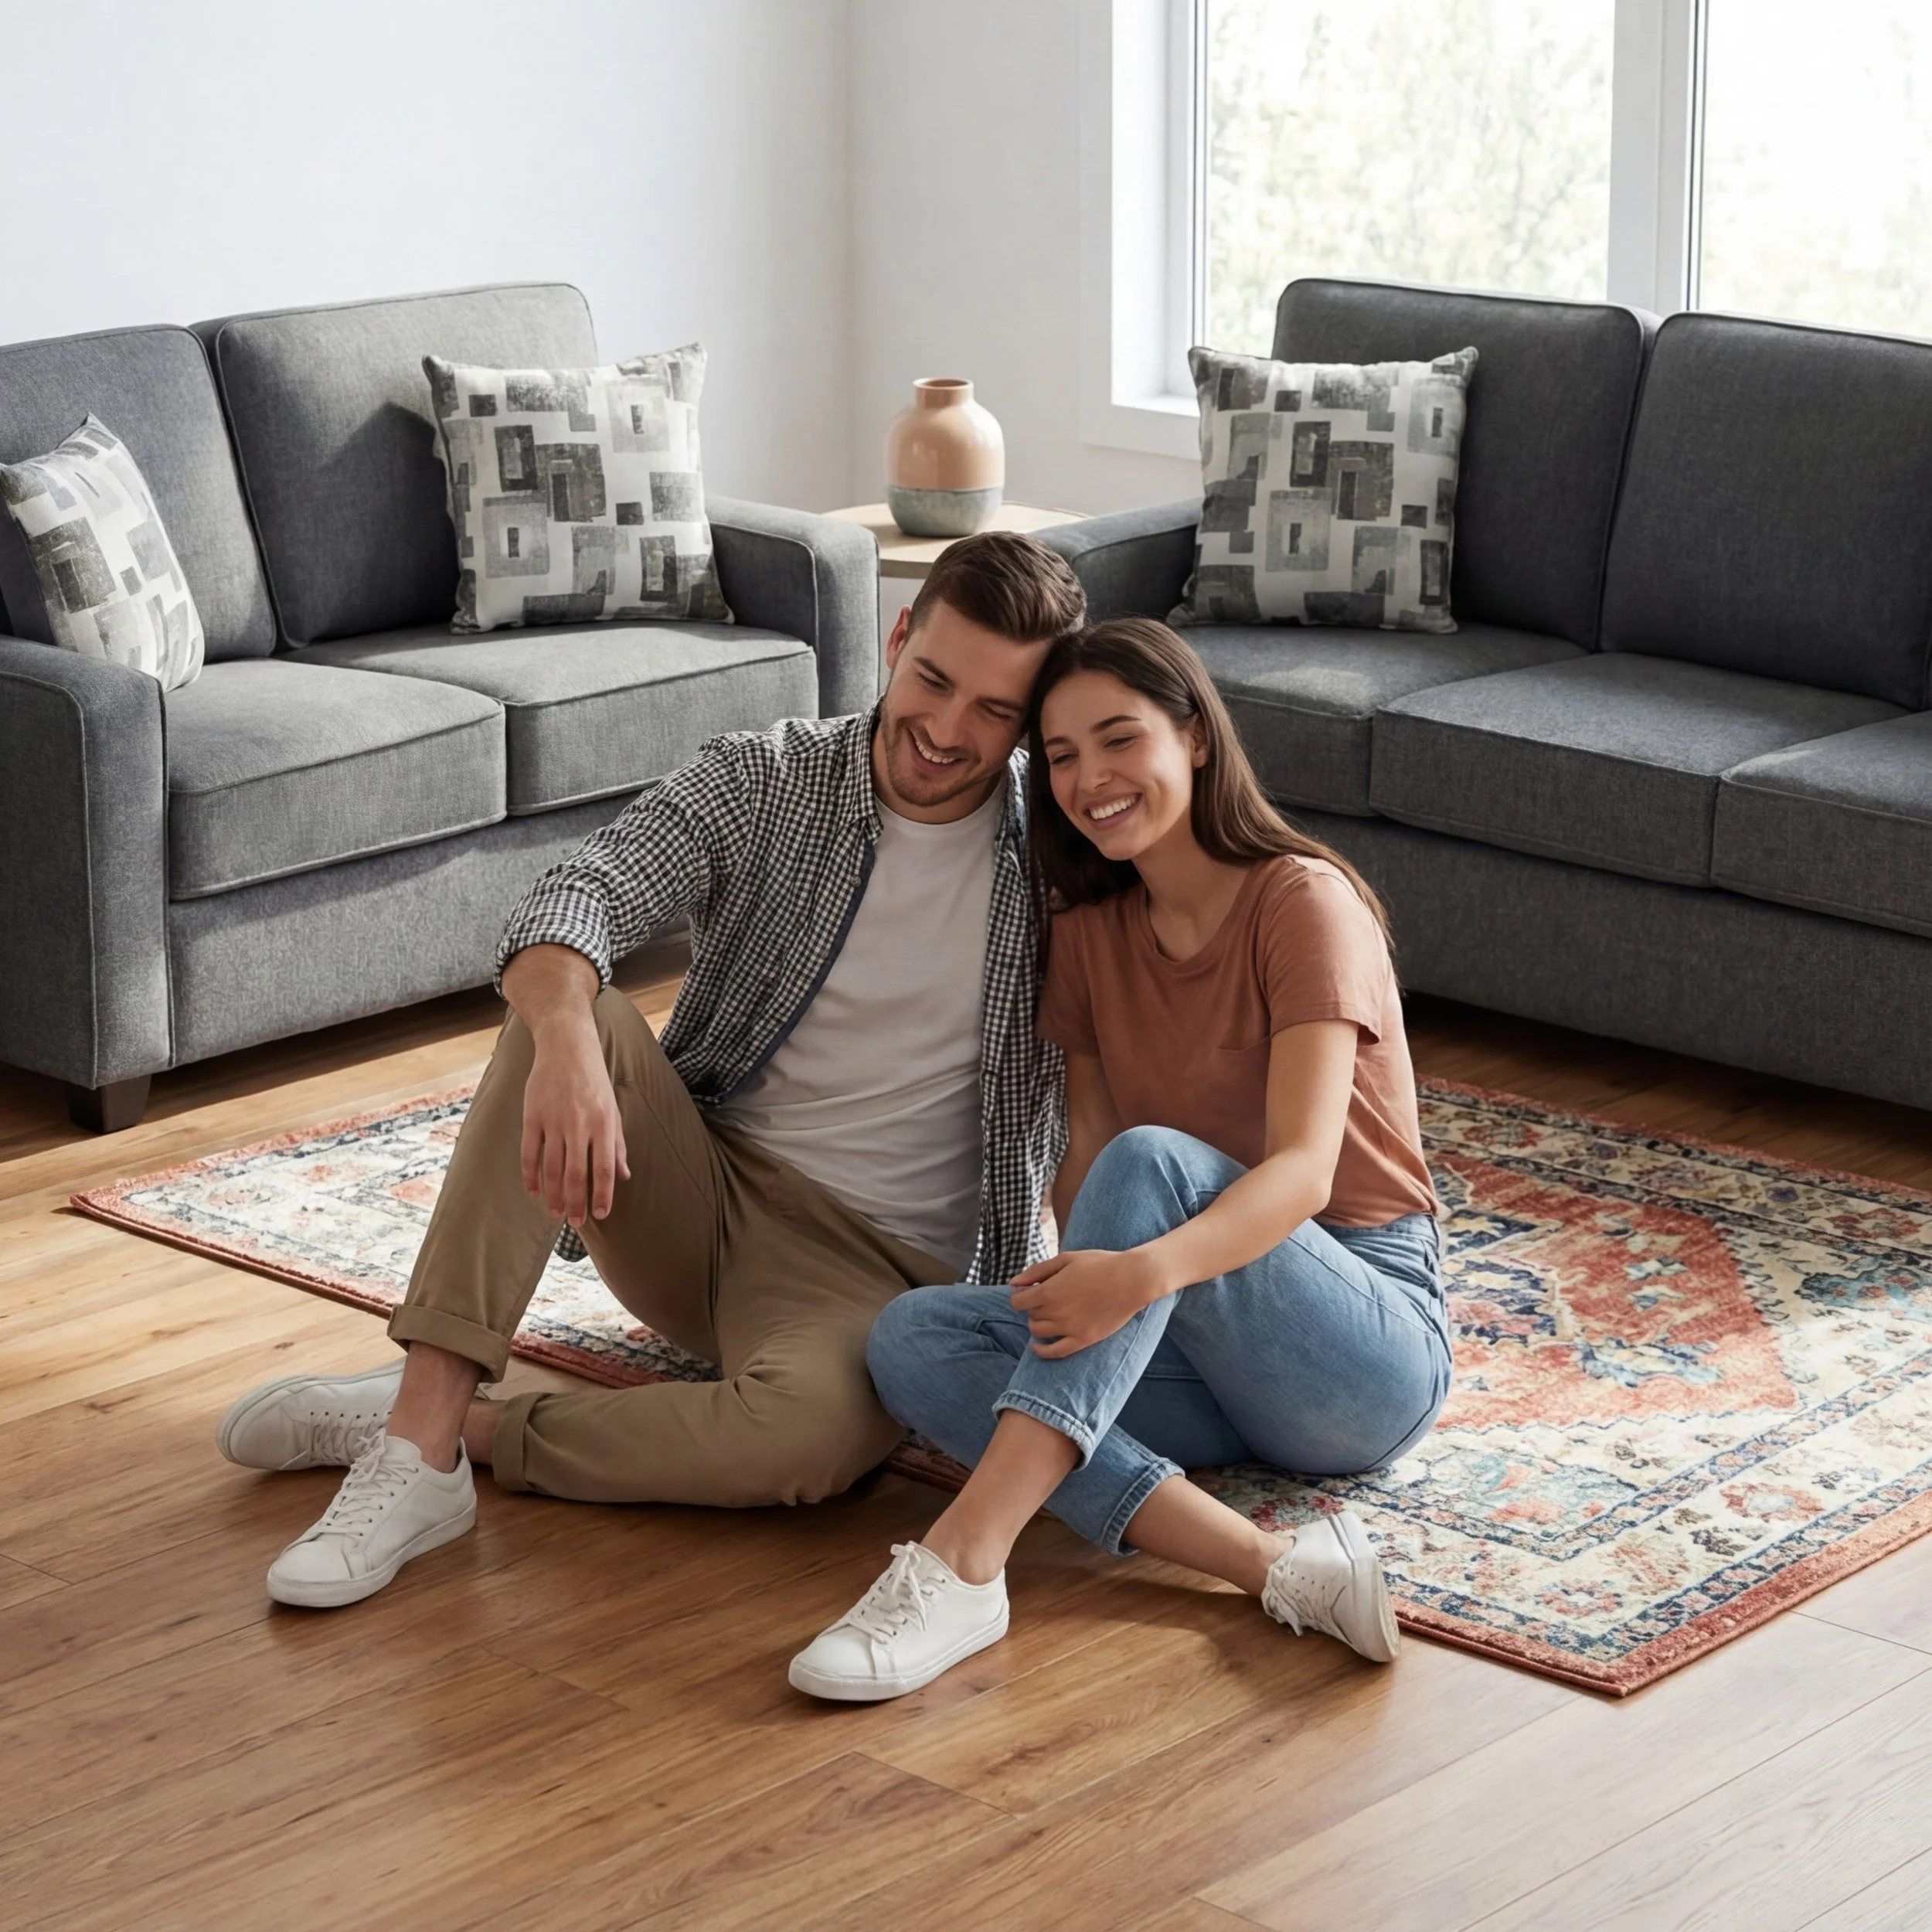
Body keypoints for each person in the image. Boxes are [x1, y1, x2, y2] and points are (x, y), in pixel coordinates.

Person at [216, 531, 1087, 1608]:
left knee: (808, 1445)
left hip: (876, 1278)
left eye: (995, 711)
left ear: (1033, 722)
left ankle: (459, 1433)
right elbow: (577, 894)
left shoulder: (1061, 864)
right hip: (692, 1196)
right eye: (935, 680)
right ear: (898, 637)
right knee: (565, 1003)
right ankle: (417, 1444)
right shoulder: (765, 779)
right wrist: (569, 1045)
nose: (948, 732)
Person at [789, 617, 1452, 1701]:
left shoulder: (1302, 902)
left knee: (1153, 1164)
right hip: (1199, 1350)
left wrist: (1136, 1277)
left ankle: (965, 1562)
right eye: (1060, 756)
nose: (1089, 779)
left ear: (1195, 735)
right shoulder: (1091, 931)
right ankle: (1271, 1566)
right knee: (912, 1338)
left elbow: (1304, 1174)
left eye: (1118, 739)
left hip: (1358, 1349)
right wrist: (1083, 1301)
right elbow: (1084, 1154)